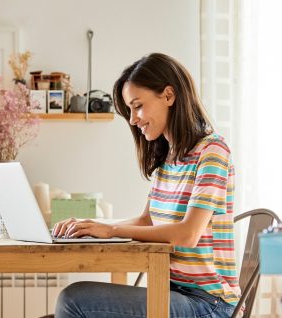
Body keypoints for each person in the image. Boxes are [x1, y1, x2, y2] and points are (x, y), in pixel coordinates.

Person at [52, 53, 241, 318]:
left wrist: (112, 229)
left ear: (168, 96)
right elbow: (147, 220)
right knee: (73, 300)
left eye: (137, 106)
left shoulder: (212, 152)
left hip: (208, 304)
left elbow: (188, 233)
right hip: (174, 291)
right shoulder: (168, 158)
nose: (132, 119)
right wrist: (93, 226)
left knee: (73, 301)